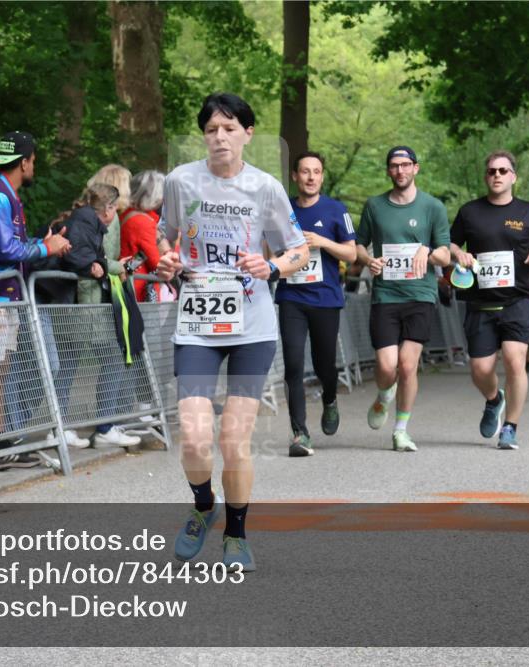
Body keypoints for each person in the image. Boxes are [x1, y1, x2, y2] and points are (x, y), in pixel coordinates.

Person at [156, 92, 308, 572]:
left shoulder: (265, 188)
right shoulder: (181, 180)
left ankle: (237, 535)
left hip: (252, 325)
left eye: (228, 128)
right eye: (210, 130)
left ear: (247, 132)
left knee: (232, 441)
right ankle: (204, 506)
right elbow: (166, 234)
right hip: (199, 322)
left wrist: (273, 266)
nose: (219, 137)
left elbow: (300, 250)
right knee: (196, 439)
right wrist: (166, 260)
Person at [0, 131, 71, 469]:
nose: (34, 166)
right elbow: (3, 249)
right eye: (33, 160)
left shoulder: (6, 194)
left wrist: (42, 242)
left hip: (5, 293)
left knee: (0, 367)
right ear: (23, 162)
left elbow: (13, 243)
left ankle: (0, 440)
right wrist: (45, 249)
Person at [450, 150, 529, 450]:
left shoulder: (528, 212)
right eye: (492, 171)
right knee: (480, 370)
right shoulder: (470, 212)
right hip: (480, 302)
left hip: (517, 301)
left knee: (514, 360)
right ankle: (494, 400)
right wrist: (459, 254)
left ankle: (510, 426)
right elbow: (451, 243)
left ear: (513, 176)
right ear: (486, 176)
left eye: (503, 171)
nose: (497, 175)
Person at [356, 146, 451, 453]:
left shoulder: (432, 207)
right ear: (388, 171)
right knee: (387, 366)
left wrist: (428, 250)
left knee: (408, 366)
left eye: (406, 165)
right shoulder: (374, 206)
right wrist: (368, 260)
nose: (400, 170)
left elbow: (446, 253)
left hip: (420, 295)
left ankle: (401, 430)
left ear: (416, 168)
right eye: (394, 166)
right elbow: (359, 245)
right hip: (386, 295)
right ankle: (384, 394)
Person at [46, 184, 143, 448]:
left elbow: (88, 257)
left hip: (78, 306)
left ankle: (64, 427)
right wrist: (113, 266)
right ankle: (100, 426)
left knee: (69, 364)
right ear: (109, 208)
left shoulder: (80, 220)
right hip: (84, 307)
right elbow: (83, 257)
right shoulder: (85, 223)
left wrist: (105, 265)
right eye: (115, 207)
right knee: (109, 358)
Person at [276, 151, 356, 457]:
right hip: (291, 298)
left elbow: (350, 254)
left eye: (316, 171)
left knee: (325, 364)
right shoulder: (282, 211)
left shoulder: (336, 210)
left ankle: (330, 398)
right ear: (295, 176)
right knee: (293, 365)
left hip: (325, 299)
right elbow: (270, 248)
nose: (311, 177)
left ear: (322, 176)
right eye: (305, 171)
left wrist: (322, 242)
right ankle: (300, 434)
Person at [120, 170, 166, 301]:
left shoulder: (127, 215)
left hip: (130, 280)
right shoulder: (142, 221)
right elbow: (156, 263)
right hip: (139, 288)